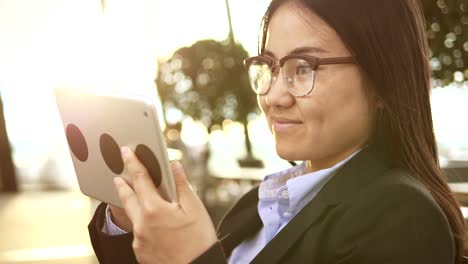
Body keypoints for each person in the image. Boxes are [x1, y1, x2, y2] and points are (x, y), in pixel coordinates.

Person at [88, 0, 466, 263]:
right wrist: (128, 224)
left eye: (304, 67)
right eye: (269, 65)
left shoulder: (403, 215)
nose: (274, 95)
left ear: (382, 82)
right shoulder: (255, 205)